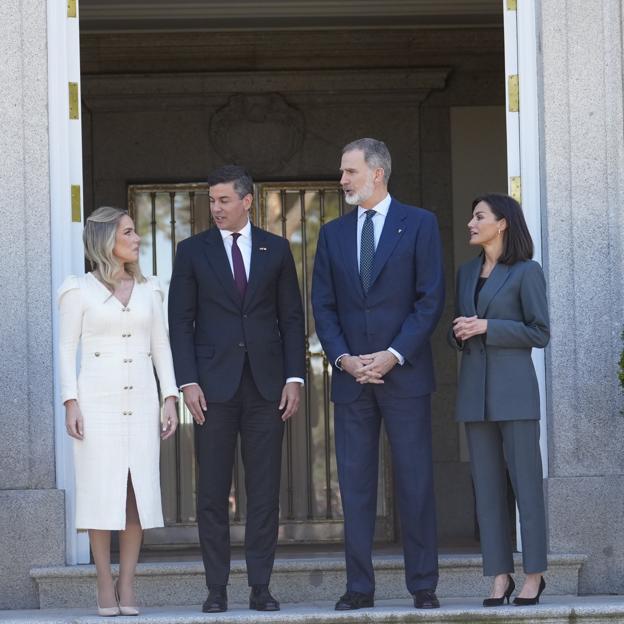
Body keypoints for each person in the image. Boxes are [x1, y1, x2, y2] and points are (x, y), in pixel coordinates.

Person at [311, 138, 445, 610]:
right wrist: (344, 359)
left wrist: (392, 355)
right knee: (355, 487)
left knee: (415, 482)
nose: (342, 180)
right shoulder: (332, 234)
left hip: (404, 376)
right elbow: (323, 307)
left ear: (378, 173)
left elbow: (430, 300)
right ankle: (359, 588)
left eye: (349, 171)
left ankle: (423, 586)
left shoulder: (421, 224)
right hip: (351, 381)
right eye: (342, 172)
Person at [168, 165, 305, 614]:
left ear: (247, 201)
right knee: (211, 494)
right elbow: (179, 323)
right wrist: (187, 382)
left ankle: (261, 589)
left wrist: (294, 378)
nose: (216, 208)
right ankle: (217, 590)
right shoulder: (191, 252)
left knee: (264, 494)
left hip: (267, 389)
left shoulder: (278, 249)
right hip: (211, 391)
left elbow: (291, 319)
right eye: (212, 201)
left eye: (224, 200)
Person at [58, 206, 179, 617]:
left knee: (134, 495)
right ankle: (103, 582)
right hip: (97, 405)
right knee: (100, 492)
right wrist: (70, 401)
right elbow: (65, 348)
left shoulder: (151, 289)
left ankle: (127, 582)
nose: (137, 238)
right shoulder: (78, 289)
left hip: (142, 402)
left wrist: (170, 396)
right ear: (107, 240)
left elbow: (161, 346)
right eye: (129, 232)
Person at [450, 193, 549, 607]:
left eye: (479, 217)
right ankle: (499, 576)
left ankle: (534, 575)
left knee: (526, 487)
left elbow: (539, 332)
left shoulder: (527, 272)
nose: (471, 223)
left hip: (515, 393)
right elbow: (461, 331)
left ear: (502, 223)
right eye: (472, 216)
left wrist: (490, 326)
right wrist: (460, 332)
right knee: (486, 491)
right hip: (475, 393)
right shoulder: (466, 272)